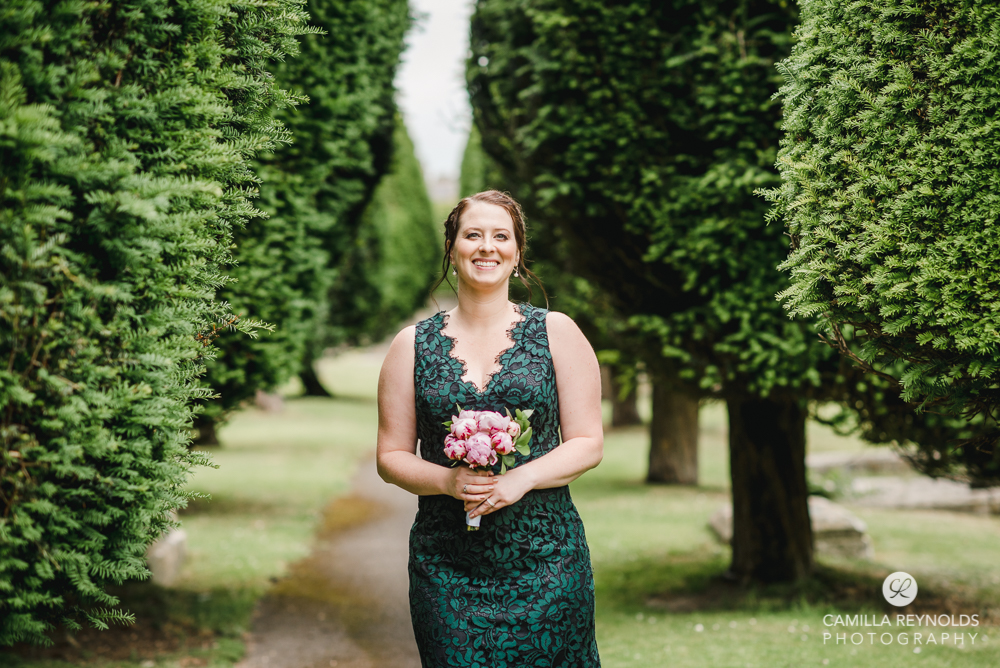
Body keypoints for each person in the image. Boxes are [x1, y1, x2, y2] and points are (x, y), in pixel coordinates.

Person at [376, 190, 604, 667]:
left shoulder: (558, 333)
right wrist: (447, 481)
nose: (487, 246)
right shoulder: (411, 345)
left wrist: (522, 478)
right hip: (446, 566)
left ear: (517, 253)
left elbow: (587, 442)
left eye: (501, 236)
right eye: (473, 235)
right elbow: (391, 456)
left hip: (548, 561)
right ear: (452, 249)